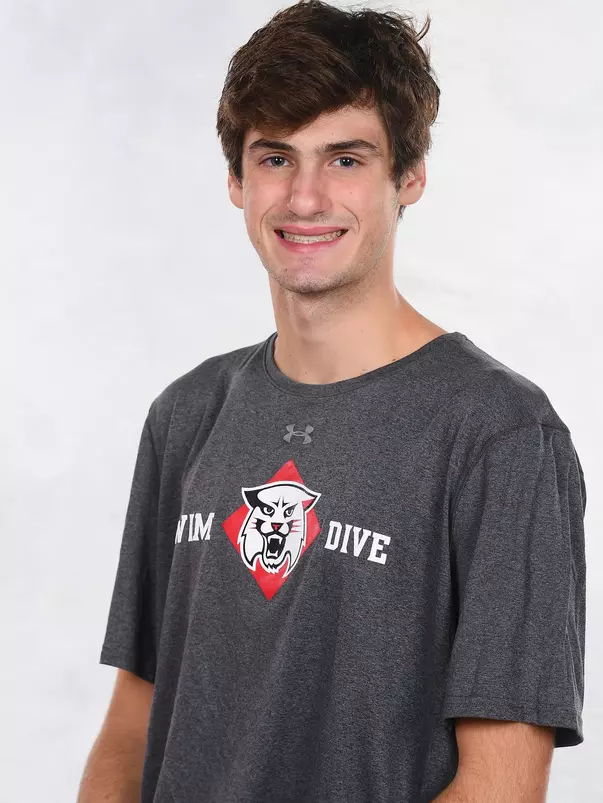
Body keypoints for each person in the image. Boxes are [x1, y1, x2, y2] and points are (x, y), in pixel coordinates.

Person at [77, 2, 587, 801]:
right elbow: (132, 726)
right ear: (236, 181)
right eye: (276, 159)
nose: (305, 199)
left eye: (345, 160)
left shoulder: (501, 435)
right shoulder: (184, 414)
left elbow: (500, 785)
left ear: (408, 176)